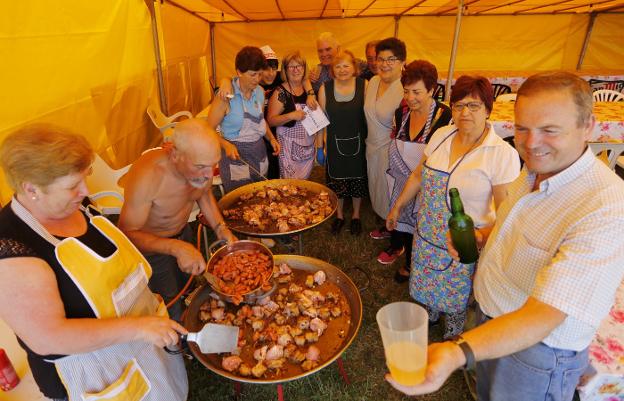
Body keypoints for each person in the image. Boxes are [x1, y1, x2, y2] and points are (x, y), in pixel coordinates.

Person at [386, 72, 624, 401]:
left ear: (589, 126)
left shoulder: (605, 205)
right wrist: (484, 236)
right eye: (523, 128)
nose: (531, 142)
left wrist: (457, 353)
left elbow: (545, 315)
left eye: (549, 130)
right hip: (493, 322)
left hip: (537, 352)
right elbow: (509, 222)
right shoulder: (533, 172)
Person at [0, 125, 188, 401]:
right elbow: (48, 338)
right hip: (95, 371)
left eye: (84, 178)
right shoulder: (13, 249)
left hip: (139, 341)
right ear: (31, 189)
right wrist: (138, 327)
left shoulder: (75, 204)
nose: (85, 190)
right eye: (73, 185)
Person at [387, 75, 520, 339]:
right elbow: (417, 175)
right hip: (426, 232)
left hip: (463, 240)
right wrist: (398, 206)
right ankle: (431, 314)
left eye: (473, 106)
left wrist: (481, 237)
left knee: (455, 291)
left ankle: (453, 332)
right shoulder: (441, 135)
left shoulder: (501, 154)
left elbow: (506, 213)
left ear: (488, 110)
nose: (464, 113)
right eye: (458, 106)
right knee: (428, 281)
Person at [118, 119, 236, 321]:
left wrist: (220, 228)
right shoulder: (149, 175)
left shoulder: (201, 172)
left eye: (213, 165)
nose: (209, 175)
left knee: (188, 289)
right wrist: (175, 247)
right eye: (200, 166)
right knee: (170, 303)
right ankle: (177, 349)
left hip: (182, 235)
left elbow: (204, 195)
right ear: (175, 155)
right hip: (152, 252)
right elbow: (126, 235)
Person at [382, 60, 452, 280]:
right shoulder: (401, 114)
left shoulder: (445, 117)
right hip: (402, 181)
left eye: (417, 92)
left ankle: (417, 265)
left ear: (431, 90)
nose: (410, 97)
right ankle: (405, 256)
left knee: (422, 228)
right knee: (402, 221)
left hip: (427, 183)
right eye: (406, 91)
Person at [206, 46, 280, 192]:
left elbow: (260, 120)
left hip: (258, 152)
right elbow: (207, 129)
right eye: (253, 75)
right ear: (239, 72)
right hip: (235, 156)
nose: (257, 79)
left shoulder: (259, 92)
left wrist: (271, 138)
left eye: (260, 74)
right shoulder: (226, 96)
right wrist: (226, 145)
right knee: (240, 201)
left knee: (260, 196)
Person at [318, 49, 368, 236]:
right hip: (333, 144)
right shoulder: (325, 88)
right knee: (337, 181)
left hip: (359, 142)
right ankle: (339, 215)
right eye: (337, 66)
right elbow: (321, 120)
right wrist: (319, 147)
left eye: (346, 65)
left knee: (357, 180)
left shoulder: (365, 85)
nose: (342, 70)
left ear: (354, 67)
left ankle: (355, 216)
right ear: (332, 70)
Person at [364, 37, 406, 243]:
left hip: (391, 150)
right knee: (378, 188)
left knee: (392, 190)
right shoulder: (372, 82)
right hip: (371, 146)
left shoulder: (405, 88)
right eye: (381, 59)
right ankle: (386, 224)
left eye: (391, 59)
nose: (384, 64)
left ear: (402, 62)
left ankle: (398, 238)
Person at [267, 51, 321, 179]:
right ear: (285, 70)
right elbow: (270, 121)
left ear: (304, 68)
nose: (296, 70)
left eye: (299, 66)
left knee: (304, 186)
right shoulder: (280, 93)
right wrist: (291, 116)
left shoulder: (308, 89)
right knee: (288, 187)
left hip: (307, 151)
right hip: (288, 152)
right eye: (291, 66)